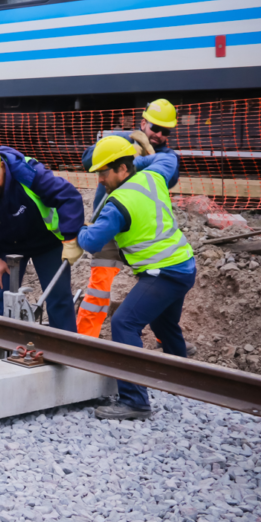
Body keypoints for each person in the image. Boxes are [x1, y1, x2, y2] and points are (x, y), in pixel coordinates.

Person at [78, 136, 196, 420]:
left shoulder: (117, 204)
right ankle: (183, 379)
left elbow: (92, 242)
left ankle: (135, 401)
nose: (101, 181)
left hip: (164, 273)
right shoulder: (153, 176)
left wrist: (75, 231)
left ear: (121, 169)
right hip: (183, 266)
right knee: (164, 323)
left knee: (124, 323)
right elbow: (169, 158)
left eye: (104, 173)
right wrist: (137, 158)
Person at [77, 99, 180, 337]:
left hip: (141, 234)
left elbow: (169, 178)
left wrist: (134, 159)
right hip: (108, 228)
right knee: (98, 292)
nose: (159, 135)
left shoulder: (166, 155)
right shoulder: (121, 139)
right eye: (155, 128)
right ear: (143, 123)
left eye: (166, 131)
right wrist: (129, 148)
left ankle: (165, 340)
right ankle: (84, 342)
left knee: (156, 288)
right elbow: (87, 159)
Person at [0, 146, 85, 332]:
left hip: (46, 243)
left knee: (58, 298)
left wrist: (70, 238)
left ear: (2, 166)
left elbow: (68, 197)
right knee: (2, 299)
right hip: (8, 247)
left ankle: (65, 353)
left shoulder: (28, 174)